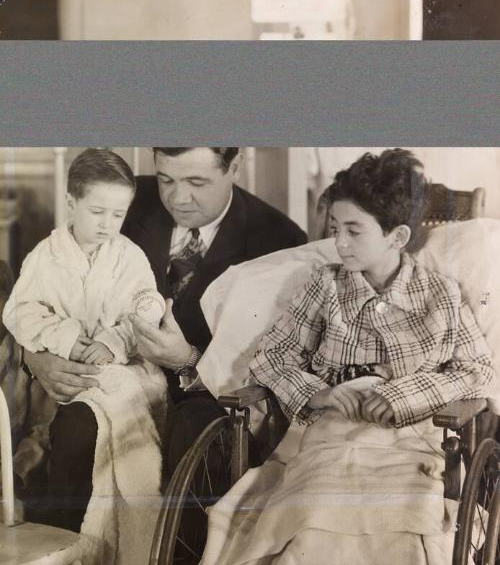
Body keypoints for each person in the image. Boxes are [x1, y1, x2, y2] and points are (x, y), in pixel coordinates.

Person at [199, 149, 494, 565]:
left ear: (398, 237)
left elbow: (477, 370)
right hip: (328, 442)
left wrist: (402, 395)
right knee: (313, 516)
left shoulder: (439, 295)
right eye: (335, 227)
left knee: (401, 527)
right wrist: (319, 393)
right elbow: (271, 356)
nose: (337, 242)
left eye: (354, 231)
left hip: (409, 448)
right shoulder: (326, 286)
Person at [23, 146, 307, 529]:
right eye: (165, 179)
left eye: (196, 182)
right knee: (79, 429)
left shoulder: (279, 240)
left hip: (205, 400)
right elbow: (46, 289)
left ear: (234, 166)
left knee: (193, 443)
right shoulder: (120, 200)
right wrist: (36, 358)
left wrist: (189, 358)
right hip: (110, 381)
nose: (177, 198)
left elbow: (276, 363)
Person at [4, 148, 166, 530]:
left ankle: (95, 523)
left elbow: (148, 306)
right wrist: (63, 337)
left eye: (118, 214)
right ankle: (56, 518)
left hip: (118, 370)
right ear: (71, 204)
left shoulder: (129, 257)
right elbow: (19, 310)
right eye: (98, 212)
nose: (108, 224)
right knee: (48, 432)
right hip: (61, 373)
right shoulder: (45, 257)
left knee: (93, 423)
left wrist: (113, 340)